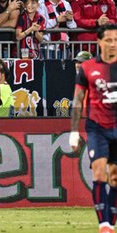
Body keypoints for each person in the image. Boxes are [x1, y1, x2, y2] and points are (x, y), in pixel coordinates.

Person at [70, 24, 117, 233]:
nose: (113, 44)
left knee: (115, 177)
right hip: (97, 127)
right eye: (109, 40)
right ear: (99, 42)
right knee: (99, 174)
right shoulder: (88, 68)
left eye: (116, 40)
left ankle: (110, 219)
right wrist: (73, 131)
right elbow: (78, 100)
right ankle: (104, 225)